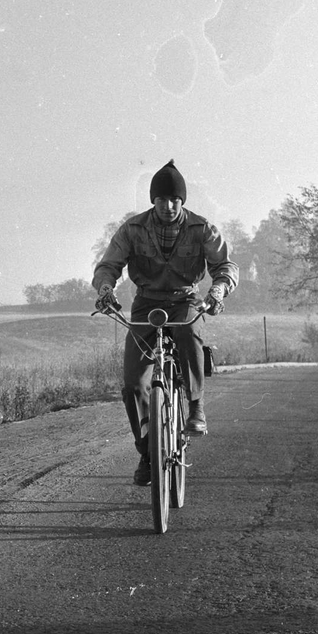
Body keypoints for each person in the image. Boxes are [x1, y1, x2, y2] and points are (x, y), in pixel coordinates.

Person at [92, 160, 238, 485]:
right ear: (152, 201)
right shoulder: (132, 229)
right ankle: (146, 450)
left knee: (188, 334)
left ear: (182, 201)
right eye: (161, 200)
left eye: (174, 200)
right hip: (146, 304)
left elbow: (226, 266)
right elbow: (108, 266)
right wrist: (105, 289)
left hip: (185, 300)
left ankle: (196, 407)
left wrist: (217, 291)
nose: (168, 206)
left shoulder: (202, 228)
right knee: (132, 383)